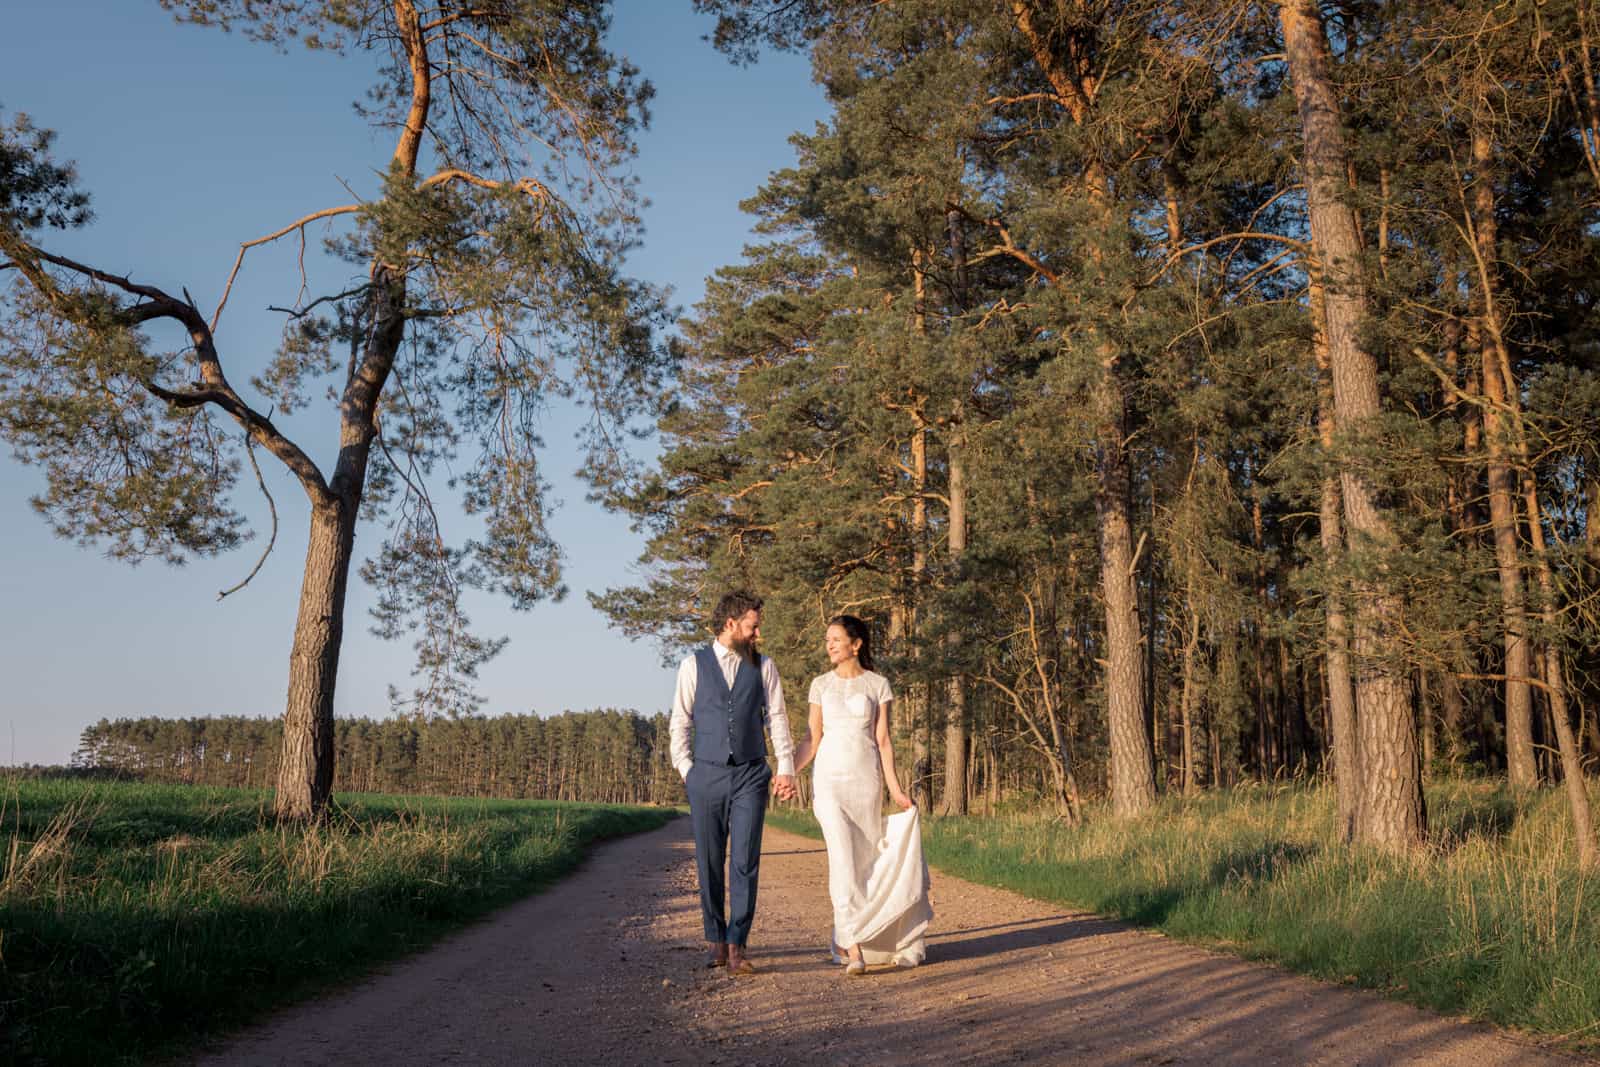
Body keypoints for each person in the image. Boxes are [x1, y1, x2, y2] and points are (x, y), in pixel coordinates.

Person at [793, 614, 931, 976]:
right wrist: (787, 770)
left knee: (865, 862)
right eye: (827, 640)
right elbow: (811, 738)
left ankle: (859, 939)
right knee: (842, 861)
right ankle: (853, 949)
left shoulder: (878, 685)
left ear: (857, 644)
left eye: (836, 639)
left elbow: (883, 741)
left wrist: (897, 790)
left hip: (865, 781)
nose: (830, 645)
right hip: (829, 782)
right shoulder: (820, 685)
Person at [670, 590, 797, 976]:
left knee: (745, 861)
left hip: (750, 773)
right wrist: (686, 769)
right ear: (731, 624)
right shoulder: (693, 665)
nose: (758, 633)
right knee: (709, 860)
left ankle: (737, 942)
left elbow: (777, 718)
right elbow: (680, 720)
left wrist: (786, 767)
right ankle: (715, 939)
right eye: (753, 625)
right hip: (705, 774)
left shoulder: (765, 666)